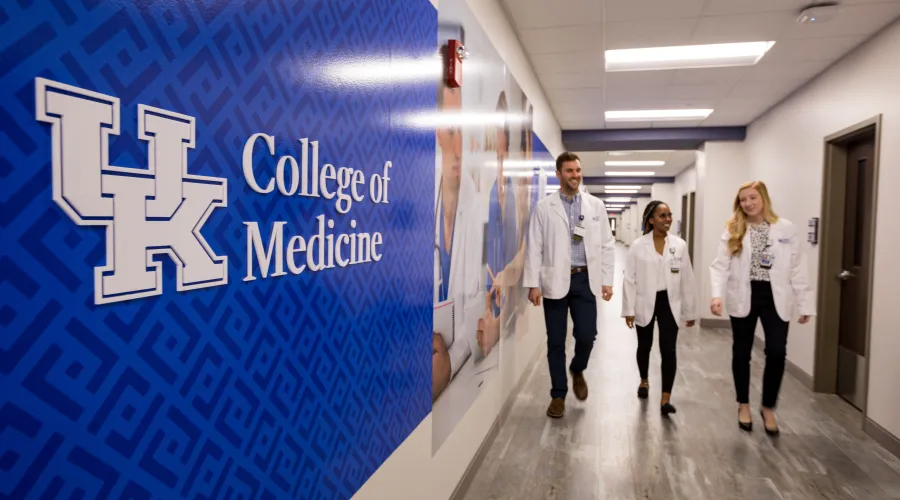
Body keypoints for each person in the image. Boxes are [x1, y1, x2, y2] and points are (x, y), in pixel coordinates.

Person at [709, 180, 815, 435]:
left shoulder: (786, 229)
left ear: (764, 198)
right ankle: (743, 404)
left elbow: (798, 267)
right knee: (742, 353)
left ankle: (768, 406)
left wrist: (805, 303)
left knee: (777, 351)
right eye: (743, 200)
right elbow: (720, 265)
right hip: (744, 293)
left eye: (752, 198)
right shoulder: (734, 228)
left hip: (775, 296)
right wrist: (717, 295)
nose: (748, 203)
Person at [524, 152, 615, 418]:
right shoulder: (544, 207)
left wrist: (608, 281)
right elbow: (535, 247)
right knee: (555, 341)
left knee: (587, 335)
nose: (575, 175)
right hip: (555, 279)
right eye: (569, 171)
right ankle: (558, 395)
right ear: (558, 174)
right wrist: (533, 284)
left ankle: (577, 368)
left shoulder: (595, 206)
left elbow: (607, 245)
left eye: (578, 170)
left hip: (585, 279)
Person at [431, 45, 496, 401]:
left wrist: (448, 364)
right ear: (438, 132)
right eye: (451, 131)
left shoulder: (480, 212)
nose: (459, 148)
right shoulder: (420, 199)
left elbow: (478, 305)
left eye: (465, 135)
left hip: (452, 365)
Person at [622, 201, 697, 416]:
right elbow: (629, 278)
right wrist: (628, 309)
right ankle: (644, 380)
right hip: (644, 300)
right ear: (651, 220)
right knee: (644, 346)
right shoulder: (638, 245)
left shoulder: (679, 245)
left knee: (669, 349)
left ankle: (666, 398)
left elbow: (688, 279)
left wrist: (691, 311)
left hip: (668, 302)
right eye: (662, 216)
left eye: (669, 215)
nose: (667, 219)